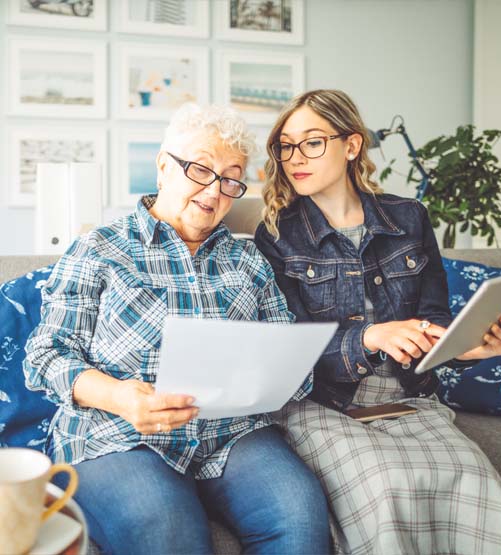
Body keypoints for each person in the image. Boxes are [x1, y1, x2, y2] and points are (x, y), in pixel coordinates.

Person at [24, 103, 330, 555]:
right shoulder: (100, 248)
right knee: (168, 532)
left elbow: (286, 353)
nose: (216, 191)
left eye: (231, 178)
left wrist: (278, 376)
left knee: (299, 513)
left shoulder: (248, 260)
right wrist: (120, 396)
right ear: (164, 166)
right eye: (201, 169)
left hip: (231, 434)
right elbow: (46, 355)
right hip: (117, 433)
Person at [254, 89, 501, 555]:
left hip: (408, 401)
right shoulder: (277, 234)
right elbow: (289, 345)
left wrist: (467, 347)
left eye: (311, 142)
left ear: (352, 145)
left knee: (472, 479)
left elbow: (433, 319)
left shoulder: (409, 218)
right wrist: (368, 336)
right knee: (385, 484)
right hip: (324, 406)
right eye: (286, 145)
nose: (294, 157)